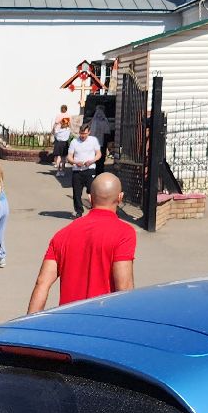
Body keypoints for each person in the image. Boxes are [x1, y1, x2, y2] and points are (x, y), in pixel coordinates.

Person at [27, 172, 135, 312]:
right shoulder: (124, 233)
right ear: (120, 197)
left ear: (90, 198)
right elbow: (124, 287)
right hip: (103, 320)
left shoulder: (62, 235)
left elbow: (42, 283)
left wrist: (29, 321)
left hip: (69, 320)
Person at [65, 124, 102, 217]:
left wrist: (92, 161)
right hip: (77, 170)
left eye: (84, 133)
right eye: (81, 133)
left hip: (90, 169)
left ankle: (95, 209)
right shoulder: (74, 142)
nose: (82, 136)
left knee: (92, 190)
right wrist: (75, 162)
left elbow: (98, 154)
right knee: (77, 192)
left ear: (89, 132)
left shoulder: (93, 140)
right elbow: (69, 156)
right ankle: (79, 211)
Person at [51, 106, 73, 174]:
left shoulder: (58, 116)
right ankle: (63, 170)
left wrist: (54, 129)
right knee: (63, 158)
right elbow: (70, 125)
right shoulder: (69, 117)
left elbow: (55, 126)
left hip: (58, 142)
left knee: (58, 157)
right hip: (64, 143)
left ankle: (58, 170)